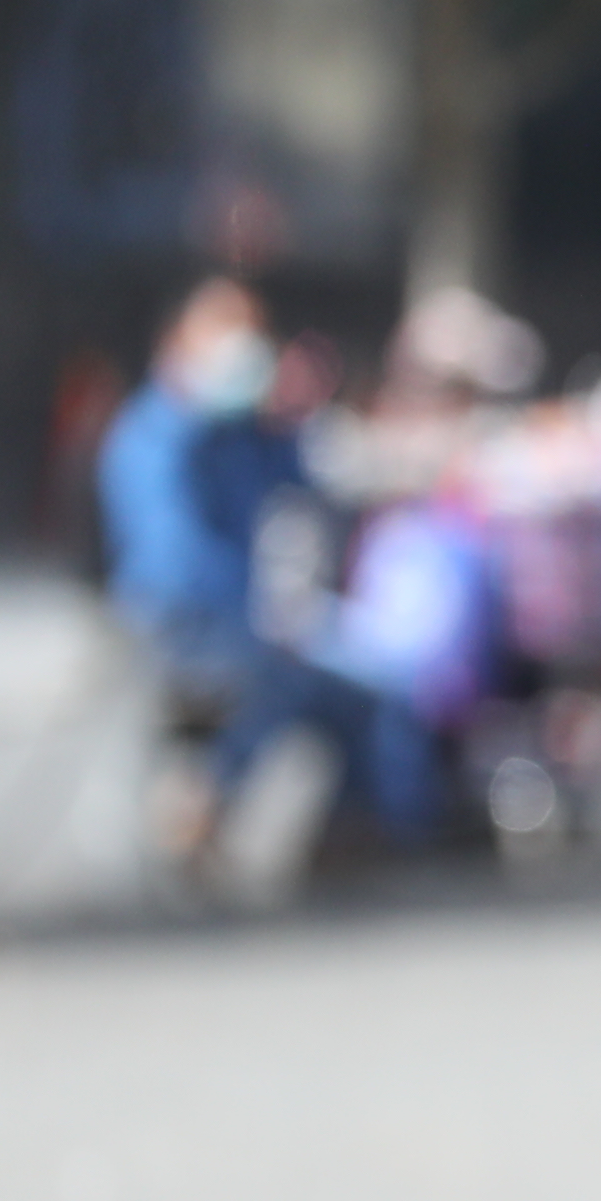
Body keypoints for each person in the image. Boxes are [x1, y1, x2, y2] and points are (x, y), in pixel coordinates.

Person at [93, 276, 437, 895]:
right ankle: (200, 806)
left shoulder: (246, 433)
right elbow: (172, 570)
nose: (243, 351)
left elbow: (330, 472)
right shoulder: (153, 437)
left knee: (373, 692)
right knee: (272, 681)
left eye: (251, 335)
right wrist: (256, 632)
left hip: (250, 629)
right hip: (181, 634)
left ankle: (351, 839)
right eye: (224, 334)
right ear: (179, 343)